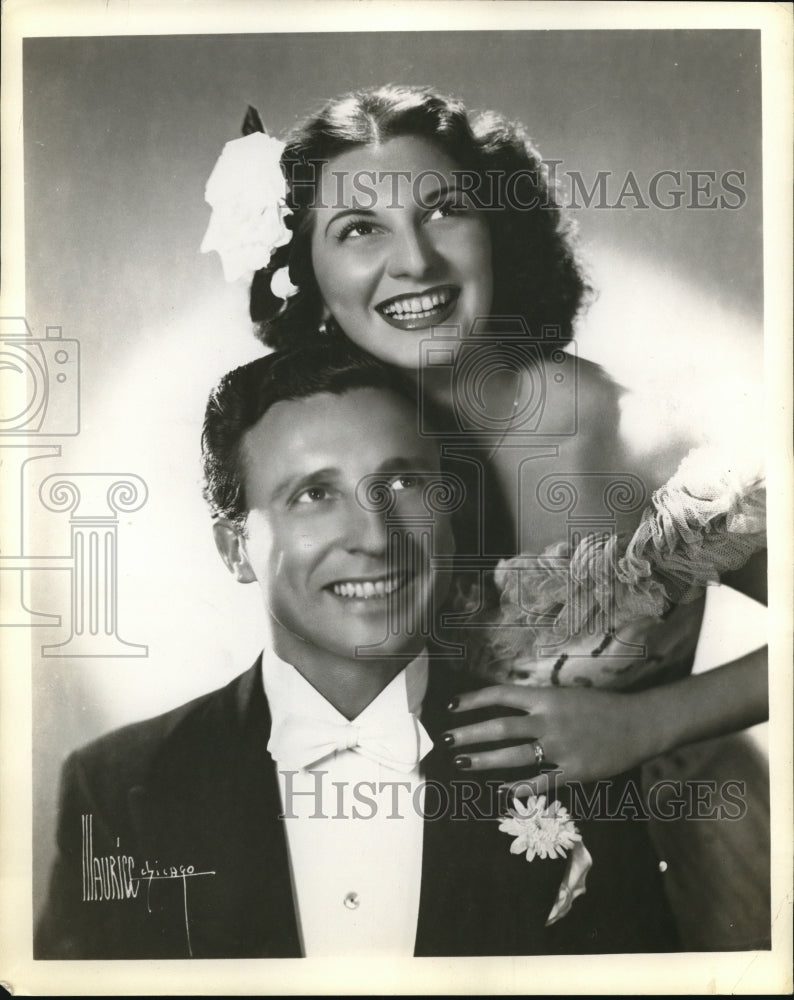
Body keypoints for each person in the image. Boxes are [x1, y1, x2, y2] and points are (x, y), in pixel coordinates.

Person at [200, 84, 769, 949]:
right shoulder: (311, 463)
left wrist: (646, 723)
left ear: (499, 230)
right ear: (302, 267)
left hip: (671, 872)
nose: (416, 262)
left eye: (444, 212)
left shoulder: (636, 432)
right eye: (359, 229)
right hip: (430, 901)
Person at [34, 344, 679, 959]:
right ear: (234, 549)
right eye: (315, 493)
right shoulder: (118, 787)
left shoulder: (567, 748)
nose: (375, 535)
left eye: (401, 483)